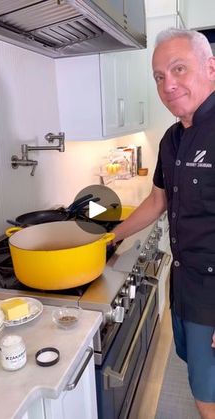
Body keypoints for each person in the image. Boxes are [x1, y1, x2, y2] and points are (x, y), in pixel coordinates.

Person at [112, 27, 215, 419]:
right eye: (159, 76)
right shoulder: (171, 138)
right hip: (184, 283)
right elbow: (158, 200)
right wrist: (109, 238)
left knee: (208, 396)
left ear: (210, 68)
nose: (168, 84)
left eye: (178, 69)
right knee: (197, 375)